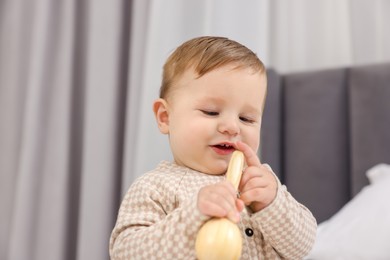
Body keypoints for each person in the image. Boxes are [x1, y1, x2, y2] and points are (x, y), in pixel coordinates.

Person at [109, 36, 317, 259]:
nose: (231, 127)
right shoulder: (154, 187)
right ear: (165, 117)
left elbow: (304, 246)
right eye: (210, 112)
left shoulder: (260, 185)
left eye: (246, 118)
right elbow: (126, 253)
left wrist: (273, 203)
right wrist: (193, 217)